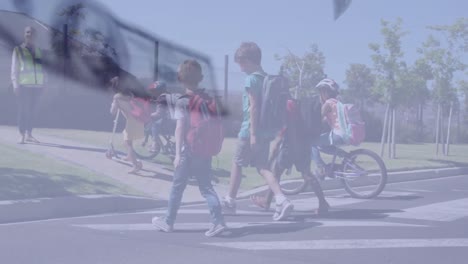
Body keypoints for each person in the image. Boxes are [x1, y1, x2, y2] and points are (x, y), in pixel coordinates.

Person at [152, 60, 227, 237]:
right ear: (200, 78)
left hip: (189, 150)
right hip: (205, 150)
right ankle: (218, 221)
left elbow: (180, 128)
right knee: (207, 187)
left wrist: (177, 154)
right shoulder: (207, 98)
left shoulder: (183, 101)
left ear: (181, 79)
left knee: (177, 187)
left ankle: (168, 221)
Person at [222, 42, 293, 221]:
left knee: (237, 162)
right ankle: (281, 199)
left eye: (241, 62)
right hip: (266, 131)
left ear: (248, 60)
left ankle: (230, 200)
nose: (239, 67)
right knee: (262, 167)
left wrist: (252, 134)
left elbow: (253, 108)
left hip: (250, 130)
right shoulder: (267, 78)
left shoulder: (251, 79)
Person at [251, 99, 330, 214]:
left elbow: (277, 143)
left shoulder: (286, 121)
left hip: (289, 149)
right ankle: (323, 203)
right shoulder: (301, 120)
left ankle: (267, 201)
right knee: (307, 174)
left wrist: (270, 160)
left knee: (276, 173)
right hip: (304, 146)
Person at [11, 26, 47, 144]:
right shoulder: (18, 50)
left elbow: (42, 69)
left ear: (35, 36)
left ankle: (29, 134)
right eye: (27, 32)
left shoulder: (39, 50)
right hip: (23, 86)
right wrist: (15, 85)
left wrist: (44, 83)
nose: (29, 34)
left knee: (32, 111)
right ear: (24, 34)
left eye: (31, 33)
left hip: (37, 87)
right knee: (23, 110)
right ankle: (21, 134)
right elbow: (14, 69)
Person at [312, 78, 346, 179]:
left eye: (321, 92)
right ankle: (345, 156)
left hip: (338, 134)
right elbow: (327, 120)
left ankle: (321, 168)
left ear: (325, 92)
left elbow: (317, 119)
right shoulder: (337, 103)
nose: (320, 95)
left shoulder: (327, 104)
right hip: (345, 133)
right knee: (322, 146)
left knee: (312, 142)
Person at [109, 76, 144, 173]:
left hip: (132, 121)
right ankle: (129, 156)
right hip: (138, 119)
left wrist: (113, 104)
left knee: (127, 143)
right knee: (126, 137)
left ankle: (136, 165)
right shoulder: (130, 95)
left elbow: (113, 112)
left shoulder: (117, 97)